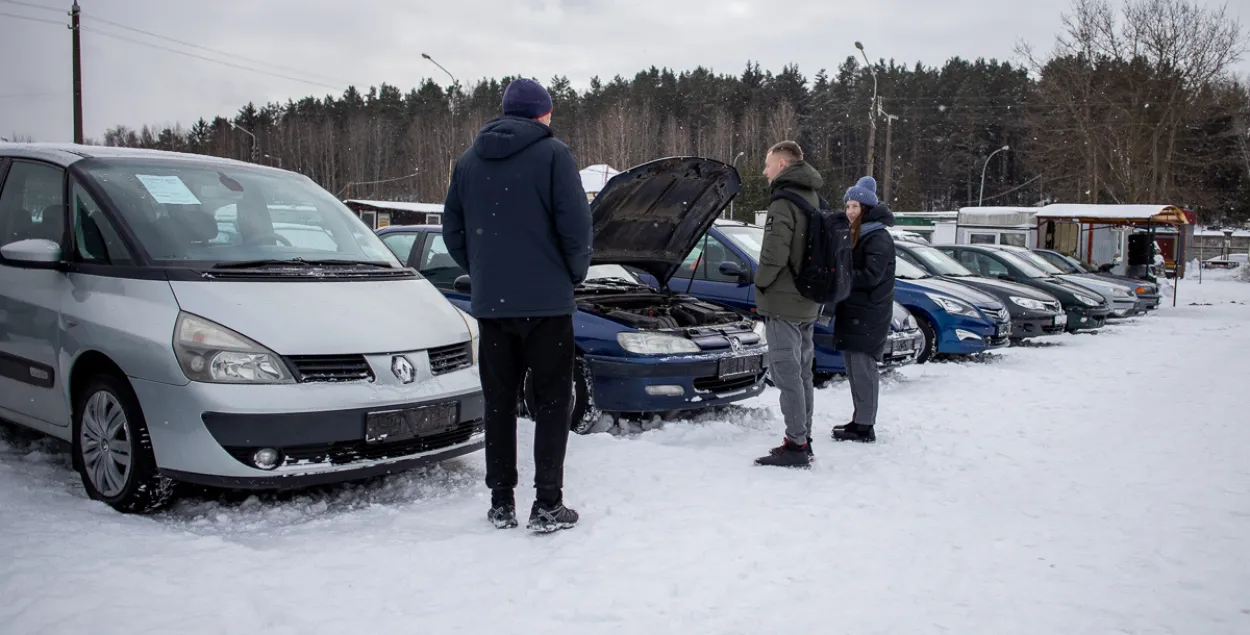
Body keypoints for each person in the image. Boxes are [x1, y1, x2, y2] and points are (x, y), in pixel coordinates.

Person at [442, 78, 593, 532]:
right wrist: (572, 274)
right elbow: (576, 227)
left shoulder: (468, 162)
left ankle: (501, 501)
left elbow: (453, 230)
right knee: (551, 402)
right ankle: (547, 503)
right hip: (546, 307)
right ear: (542, 114)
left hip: (492, 308)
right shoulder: (554, 155)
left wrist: (486, 271)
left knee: (499, 403)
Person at [752, 141, 823, 468]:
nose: (764, 171)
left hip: (783, 301)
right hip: (808, 300)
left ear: (782, 165)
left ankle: (795, 444)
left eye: (768, 165)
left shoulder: (783, 202)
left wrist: (761, 282)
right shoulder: (812, 197)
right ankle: (803, 436)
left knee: (787, 375)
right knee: (803, 373)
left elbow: (774, 254)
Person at [831, 176, 896, 443]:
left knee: (863, 370)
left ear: (866, 208)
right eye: (847, 206)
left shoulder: (877, 237)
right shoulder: (860, 233)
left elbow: (871, 276)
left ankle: (865, 425)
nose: (849, 211)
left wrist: (840, 274)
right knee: (854, 370)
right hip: (856, 311)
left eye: (855, 206)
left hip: (868, 314)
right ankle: (860, 419)